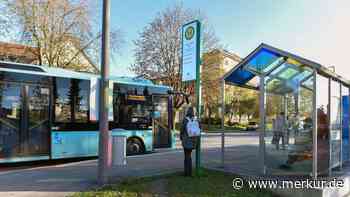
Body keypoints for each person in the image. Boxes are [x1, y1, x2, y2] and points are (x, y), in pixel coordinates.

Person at [180, 106, 199, 177]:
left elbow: (182, 130)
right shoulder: (197, 119)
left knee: (186, 156)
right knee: (189, 156)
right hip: (193, 141)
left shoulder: (185, 120)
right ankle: (190, 172)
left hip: (186, 141)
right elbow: (199, 129)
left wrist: (181, 137)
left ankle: (187, 173)